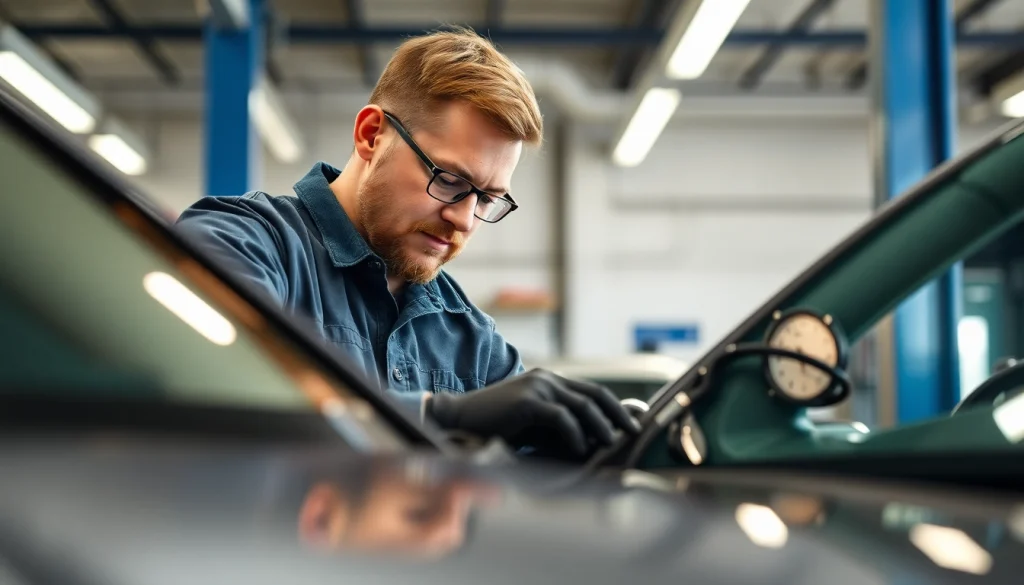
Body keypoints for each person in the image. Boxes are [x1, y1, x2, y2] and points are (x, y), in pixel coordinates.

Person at [175, 27, 640, 460]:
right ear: (371, 135)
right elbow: (214, 395)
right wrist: (438, 416)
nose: (462, 218)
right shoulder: (245, 242)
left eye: (488, 198)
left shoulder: (467, 334)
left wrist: (614, 442)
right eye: (450, 179)